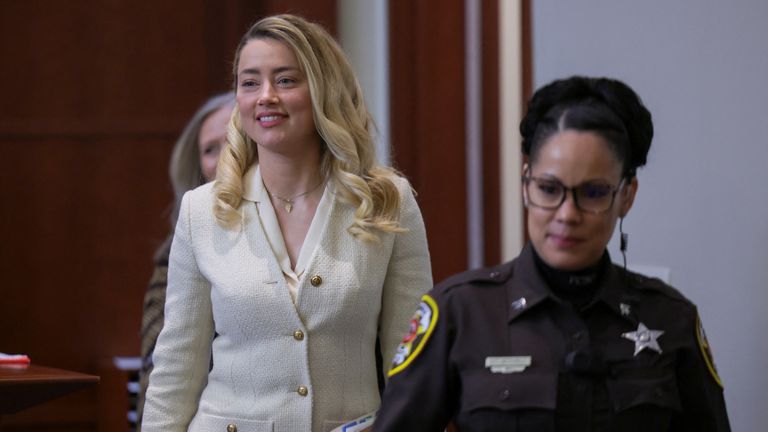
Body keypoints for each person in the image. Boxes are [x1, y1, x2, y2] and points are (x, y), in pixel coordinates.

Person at [374, 76, 730, 431]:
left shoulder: (671, 319)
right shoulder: (460, 313)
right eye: (549, 189)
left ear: (626, 196)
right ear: (526, 184)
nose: (567, 214)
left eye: (592, 193)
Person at [141, 14, 432, 432]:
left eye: (285, 80)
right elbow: (176, 370)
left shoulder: (388, 200)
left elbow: (411, 362)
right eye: (250, 82)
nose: (265, 97)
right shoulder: (201, 211)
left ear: (323, 91)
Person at [136, 91, 235, 426]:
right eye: (210, 149)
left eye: (236, 139)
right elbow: (161, 371)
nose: (225, 157)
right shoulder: (176, 254)